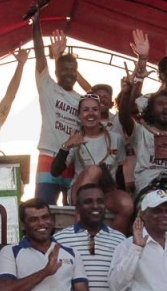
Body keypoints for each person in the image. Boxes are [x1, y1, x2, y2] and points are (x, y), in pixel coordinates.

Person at [52, 93, 133, 232]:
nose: (91, 113)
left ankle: (113, 242)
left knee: (127, 204)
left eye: (95, 109)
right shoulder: (75, 139)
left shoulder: (116, 138)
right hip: (79, 194)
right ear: (79, 115)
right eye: (86, 110)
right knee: (94, 170)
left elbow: (119, 172)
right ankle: (81, 233)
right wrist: (66, 146)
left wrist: (123, 193)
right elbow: (54, 171)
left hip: (106, 193)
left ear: (100, 112)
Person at [31, 9, 82, 203]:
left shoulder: (82, 100)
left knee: (72, 212)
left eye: (73, 70)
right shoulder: (48, 87)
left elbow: (98, 98)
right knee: (44, 209)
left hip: (73, 161)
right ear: (56, 72)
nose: (69, 73)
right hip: (48, 156)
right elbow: (39, 56)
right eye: (64, 70)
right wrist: (36, 23)